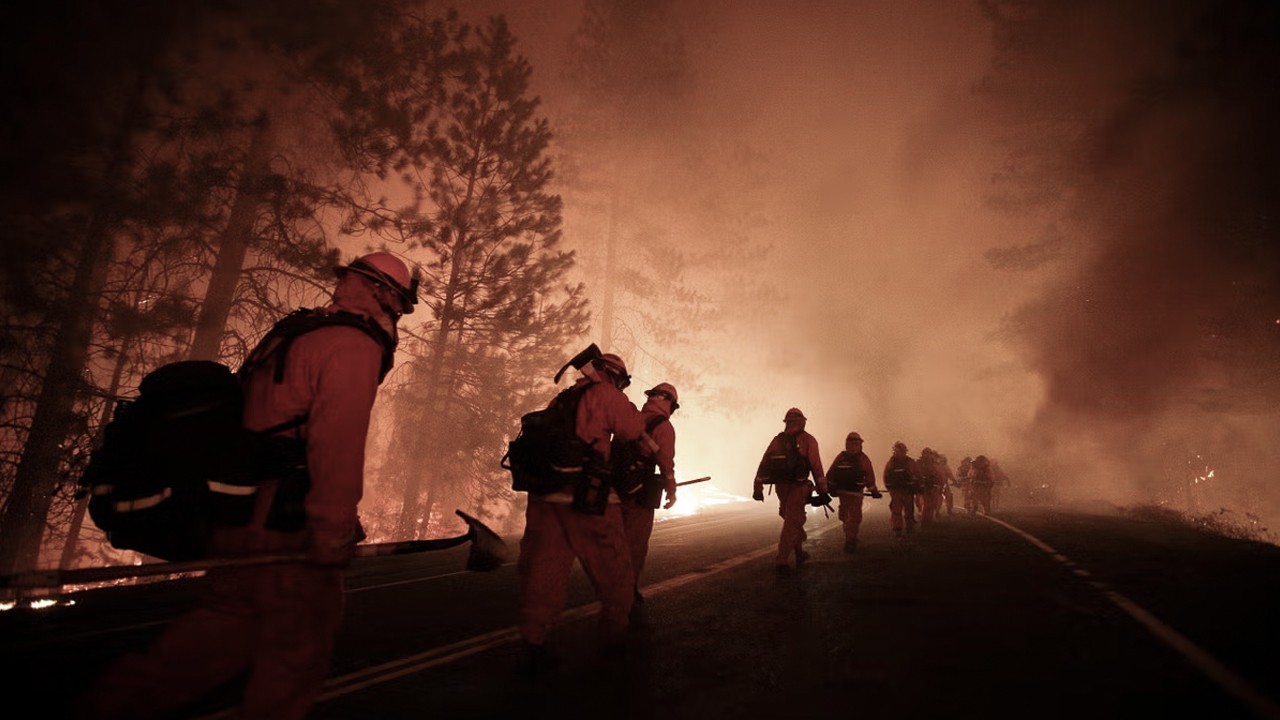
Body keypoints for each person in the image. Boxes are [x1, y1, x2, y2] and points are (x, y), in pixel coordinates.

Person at [75, 251, 417, 720]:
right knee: (297, 653)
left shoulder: (298, 330)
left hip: (241, 510)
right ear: (382, 292)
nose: (396, 313)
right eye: (398, 302)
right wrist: (332, 529)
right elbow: (335, 443)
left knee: (218, 635)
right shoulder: (351, 346)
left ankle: (111, 708)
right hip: (287, 525)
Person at [516, 351, 647, 671]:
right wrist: (626, 404)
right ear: (615, 376)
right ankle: (616, 639)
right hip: (588, 499)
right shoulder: (607, 394)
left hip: (547, 498)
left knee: (546, 571)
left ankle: (535, 642)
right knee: (614, 566)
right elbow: (631, 430)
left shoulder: (561, 400)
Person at [616, 382, 679, 607]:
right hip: (640, 495)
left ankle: (612, 587)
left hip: (615, 489)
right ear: (669, 404)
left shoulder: (632, 418)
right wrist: (671, 490)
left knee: (614, 541)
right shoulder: (664, 427)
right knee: (635, 543)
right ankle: (627, 591)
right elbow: (666, 464)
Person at [752, 407, 827, 572]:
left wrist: (757, 486)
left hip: (781, 487)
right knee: (793, 521)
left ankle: (799, 552)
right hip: (798, 487)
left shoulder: (778, 440)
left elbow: (764, 463)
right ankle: (782, 560)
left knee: (791, 519)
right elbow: (816, 467)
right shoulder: (808, 440)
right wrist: (823, 491)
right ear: (803, 422)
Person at [825, 431, 881, 553]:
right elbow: (869, 476)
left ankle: (850, 537)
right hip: (855, 493)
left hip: (843, 492)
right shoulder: (863, 458)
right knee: (854, 517)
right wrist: (874, 491)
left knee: (846, 515)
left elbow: (830, 473)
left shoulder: (841, 457)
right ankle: (850, 540)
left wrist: (829, 486)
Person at [883, 441, 922, 537]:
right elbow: (918, 475)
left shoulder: (891, 463)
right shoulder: (908, 462)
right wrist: (919, 486)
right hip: (903, 490)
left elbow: (885, 476)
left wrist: (889, 488)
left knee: (902, 509)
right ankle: (901, 528)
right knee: (902, 509)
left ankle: (900, 528)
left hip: (901, 490)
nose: (900, 453)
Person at [915, 447, 945, 526]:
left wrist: (940, 483)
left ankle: (929, 520)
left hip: (933, 486)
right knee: (926, 503)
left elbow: (938, 474)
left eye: (929, 454)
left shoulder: (934, 464)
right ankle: (924, 521)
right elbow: (917, 474)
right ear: (923, 454)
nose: (929, 455)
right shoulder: (919, 463)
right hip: (924, 486)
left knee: (932, 504)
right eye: (927, 453)